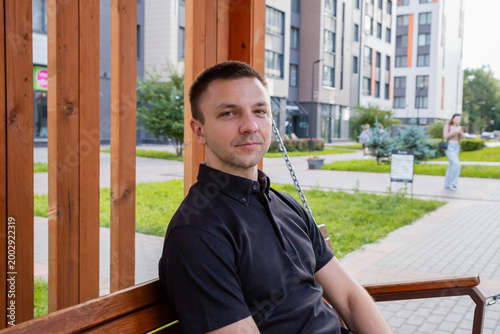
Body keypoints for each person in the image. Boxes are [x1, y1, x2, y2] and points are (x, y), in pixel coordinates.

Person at [158, 61, 392, 334]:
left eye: (259, 111)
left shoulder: (285, 205)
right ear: (199, 130)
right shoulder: (198, 233)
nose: (249, 126)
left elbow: (350, 298)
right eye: (229, 113)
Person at [443, 113, 463, 190]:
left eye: (459, 119)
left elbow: (459, 139)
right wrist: (455, 132)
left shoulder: (459, 127)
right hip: (449, 146)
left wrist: (460, 134)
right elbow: (445, 136)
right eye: (457, 119)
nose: (458, 120)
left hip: (456, 146)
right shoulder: (447, 126)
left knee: (451, 165)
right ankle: (453, 183)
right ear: (453, 119)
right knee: (457, 164)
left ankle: (447, 184)